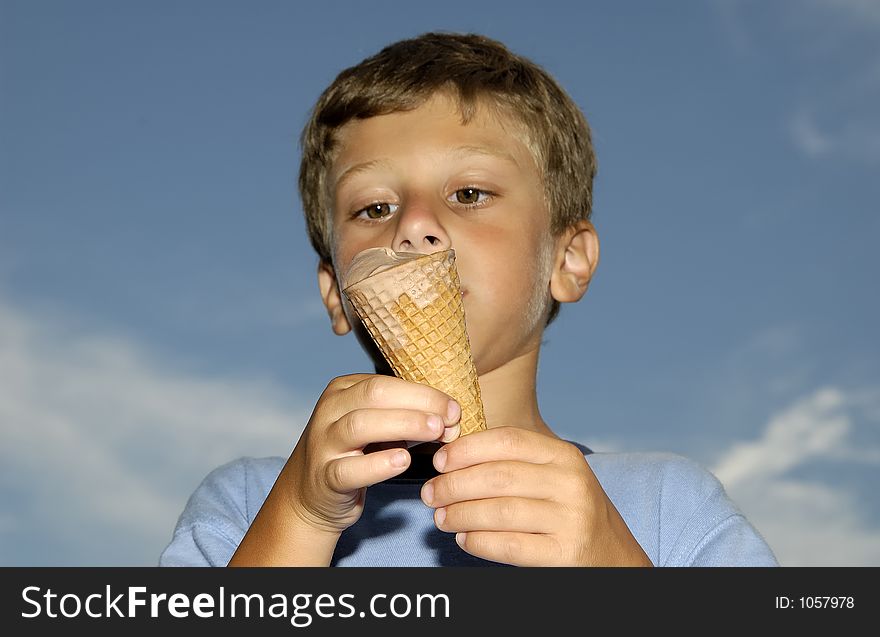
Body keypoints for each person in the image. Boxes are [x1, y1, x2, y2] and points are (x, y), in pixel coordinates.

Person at [159, 32, 778, 567]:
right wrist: (300, 519)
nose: (415, 225)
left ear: (568, 260)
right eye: (374, 207)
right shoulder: (250, 503)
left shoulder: (667, 505)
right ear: (336, 293)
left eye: (471, 194)